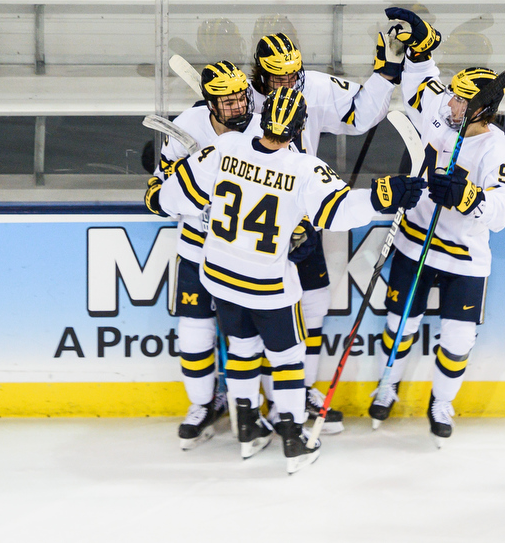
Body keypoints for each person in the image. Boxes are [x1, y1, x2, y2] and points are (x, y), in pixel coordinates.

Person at [153, 87, 424, 473]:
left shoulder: (226, 146)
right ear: (298, 129)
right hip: (268, 288)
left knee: (242, 352)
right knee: (287, 360)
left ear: (263, 120)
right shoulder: (303, 169)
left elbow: (174, 199)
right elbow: (339, 213)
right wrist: (385, 196)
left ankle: (247, 431)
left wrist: (158, 191)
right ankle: (293, 437)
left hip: (219, 277)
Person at [367, 7, 505, 443]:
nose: (449, 102)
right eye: (452, 96)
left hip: (464, 257)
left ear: (480, 111)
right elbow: (421, 81)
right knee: (399, 325)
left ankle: (442, 401)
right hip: (414, 243)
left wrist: (471, 199)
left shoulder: (499, 152)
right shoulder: (443, 109)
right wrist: (420, 45)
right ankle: (388, 383)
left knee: (457, 340)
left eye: (459, 100)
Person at [249, 31, 400, 428]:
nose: (289, 84)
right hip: (260, 228)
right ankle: (274, 403)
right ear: (260, 76)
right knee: (266, 316)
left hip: (304, 220)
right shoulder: (242, 103)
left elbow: (361, 114)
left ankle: (304, 395)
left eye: (293, 75)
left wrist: (384, 74)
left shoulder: (310, 86)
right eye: (279, 79)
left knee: (314, 308)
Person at [144, 61, 259, 449]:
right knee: (194, 333)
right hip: (195, 248)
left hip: (243, 255)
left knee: (246, 338)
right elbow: (160, 192)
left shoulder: (263, 124)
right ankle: (201, 405)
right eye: (227, 101)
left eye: (241, 96)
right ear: (210, 102)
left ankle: (252, 410)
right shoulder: (187, 127)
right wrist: (193, 203)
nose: (238, 106)